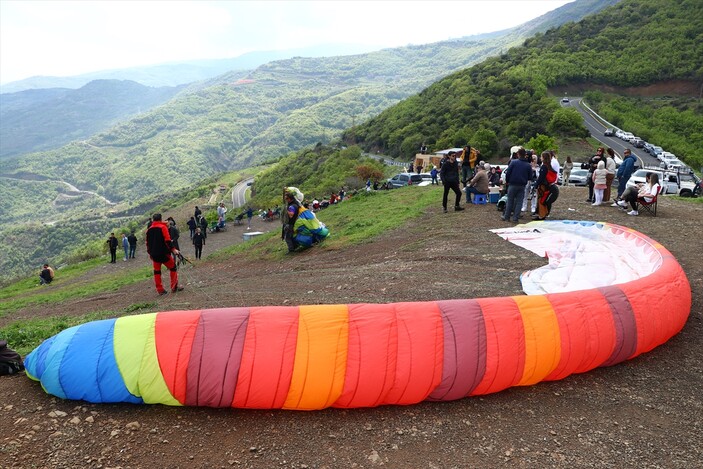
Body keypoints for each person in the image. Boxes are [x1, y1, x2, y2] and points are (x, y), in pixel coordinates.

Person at [146, 213, 182, 295]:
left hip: (154, 255)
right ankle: (174, 287)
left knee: (157, 272)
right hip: (164, 254)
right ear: (160, 219)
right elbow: (168, 240)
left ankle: (160, 290)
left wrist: (150, 254)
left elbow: (147, 243)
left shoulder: (149, 230)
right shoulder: (163, 227)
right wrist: (173, 249)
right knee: (173, 268)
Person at [502, 148, 533, 223]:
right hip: (522, 185)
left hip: (512, 184)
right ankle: (515, 218)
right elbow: (530, 177)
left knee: (510, 201)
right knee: (519, 202)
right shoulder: (528, 165)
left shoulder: (513, 162)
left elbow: (508, 173)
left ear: (518, 154)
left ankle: (507, 216)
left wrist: (507, 181)